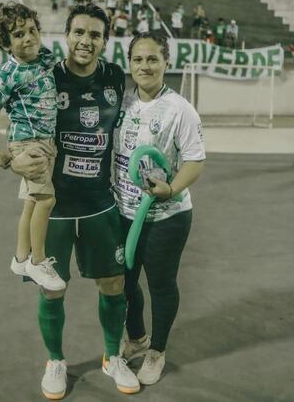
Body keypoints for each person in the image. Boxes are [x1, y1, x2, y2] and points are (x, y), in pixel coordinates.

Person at [18, 3, 140, 400]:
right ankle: (55, 360)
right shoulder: (46, 77)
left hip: (99, 203)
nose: (86, 40)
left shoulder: (115, 76)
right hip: (53, 206)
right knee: (52, 289)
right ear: (67, 36)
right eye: (79, 32)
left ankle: (112, 356)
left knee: (113, 283)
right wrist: (12, 158)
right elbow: (20, 122)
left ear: (104, 41)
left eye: (95, 35)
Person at [114, 32, 205, 385]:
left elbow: (195, 161)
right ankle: (137, 338)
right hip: (123, 212)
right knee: (123, 282)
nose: (145, 66)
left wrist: (171, 188)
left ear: (167, 62)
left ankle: (157, 351)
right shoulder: (122, 102)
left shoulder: (180, 109)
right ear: (129, 63)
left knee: (161, 284)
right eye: (137, 59)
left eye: (152, 59)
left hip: (166, 217)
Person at [0, 2, 66, 292]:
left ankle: (21, 258)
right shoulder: (6, 75)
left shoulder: (44, 57)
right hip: (28, 143)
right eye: (18, 35)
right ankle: (37, 261)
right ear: (6, 43)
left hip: (45, 140)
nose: (28, 38)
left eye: (32, 30)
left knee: (32, 201)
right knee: (46, 201)